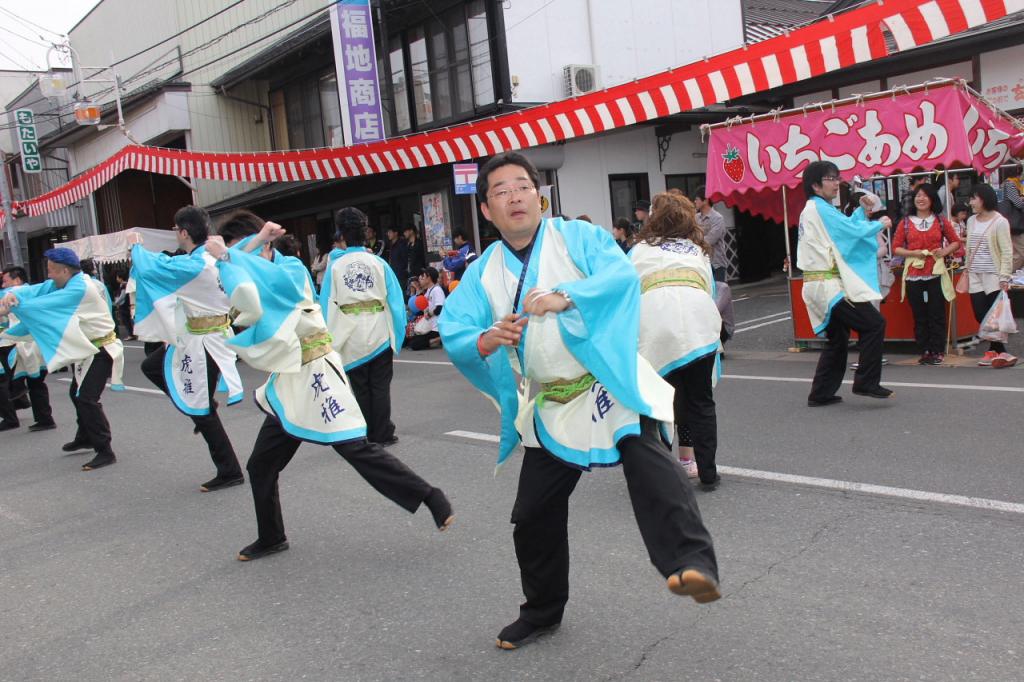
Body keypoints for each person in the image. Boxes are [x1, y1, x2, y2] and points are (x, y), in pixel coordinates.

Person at [439, 152, 720, 651]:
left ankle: (690, 564)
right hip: (552, 403)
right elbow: (457, 328)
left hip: (604, 380)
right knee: (532, 514)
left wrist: (565, 296)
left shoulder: (579, 238)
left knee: (647, 459)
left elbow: (619, 278)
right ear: (486, 210)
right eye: (500, 191)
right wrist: (485, 338)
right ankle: (542, 611)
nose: (514, 197)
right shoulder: (482, 273)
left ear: (538, 195)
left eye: (522, 186)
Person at [202, 218, 454, 561]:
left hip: (315, 372)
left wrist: (234, 256)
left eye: (241, 247)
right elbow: (239, 287)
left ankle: (429, 496)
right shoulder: (250, 269)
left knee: (355, 448)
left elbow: (272, 287)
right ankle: (272, 536)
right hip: (289, 382)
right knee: (261, 465)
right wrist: (238, 253)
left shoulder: (289, 268)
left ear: (263, 246)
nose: (234, 255)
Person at [131, 206, 246, 492]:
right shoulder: (208, 257)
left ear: (183, 232)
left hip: (206, 341)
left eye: (175, 229)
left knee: (202, 410)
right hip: (200, 336)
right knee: (152, 366)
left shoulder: (195, 265)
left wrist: (135, 247)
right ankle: (200, 407)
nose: (175, 234)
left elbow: (151, 267)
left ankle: (229, 469)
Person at [0, 248, 123, 471]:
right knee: (76, 394)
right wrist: (14, 296)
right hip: (88, 350)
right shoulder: (65, 282)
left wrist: (15, 305)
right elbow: (39, 290)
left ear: (65, 270)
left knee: (86, 398)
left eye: (51, 271)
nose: (48, 276)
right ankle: (85, 436)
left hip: (103, 349)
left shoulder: (79, 288)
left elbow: (44, 304)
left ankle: (105, 450)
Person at [631, 193, 723, 487]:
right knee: (701, 402)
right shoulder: (697, 251)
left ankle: (659, 474)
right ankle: (708, 472)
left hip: (655, 323)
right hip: (699, 322)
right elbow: (709, 289)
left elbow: (627, 293)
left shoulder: (639, 250)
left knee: (656, 400)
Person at [797, 161, 893, 406]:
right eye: (830, 178)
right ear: (816, 185)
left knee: (838, 339)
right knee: (874, 324)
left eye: (836, 177)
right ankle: (866, 382)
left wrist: (861, 213)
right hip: (828, 285)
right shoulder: (819, 208)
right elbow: (849, 232)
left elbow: (843, 229)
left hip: (821, 283)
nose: (836, 182)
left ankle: (820, 393)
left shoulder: (818, 208)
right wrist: (877, 224)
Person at [320, 207, 406, 446]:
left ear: (343, 236)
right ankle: (383, 432)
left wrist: (326, 338)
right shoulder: (378, 262)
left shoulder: (335, 267)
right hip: (379, 328)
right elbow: (395, 300)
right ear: (365, 234)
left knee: (359, 386)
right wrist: (397, 335)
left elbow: (326, 303)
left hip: (349, 331)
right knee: (380, 385)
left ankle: (366, 432)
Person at [892, 182, 961, 365]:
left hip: (935, 271)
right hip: (914, 272)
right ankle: (924, 349)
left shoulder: (940, 220)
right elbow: (896, 248)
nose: (920, 199)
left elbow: (955, 241)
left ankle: (937, 350)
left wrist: (944, 252)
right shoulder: (905, 223)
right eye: (917, 196)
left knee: (936, 312)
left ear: (932, 200)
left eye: (924, 196)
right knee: (919, 313)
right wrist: (912, 253)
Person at [964, 184, 1016, 368]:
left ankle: (995, 351)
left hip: (993, 274)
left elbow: (1007, 251)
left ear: (984, 199)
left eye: (973, 198)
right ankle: (1000, 351)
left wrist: (1004, 276)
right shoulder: (971, 221)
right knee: (980, 314)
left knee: (993, 315)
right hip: (975, 273)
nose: (970, 202)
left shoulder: (1000, 221)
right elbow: (969, 247)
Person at [0, 266, 56, 432]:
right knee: (36, 382)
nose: (3, 285)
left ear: (17, 280)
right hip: (37, 342)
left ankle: (11, 416)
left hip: (16, 343)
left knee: (3, 381)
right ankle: (44, 418)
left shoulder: (11, 293)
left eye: (5, 281)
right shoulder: (34, 291)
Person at [694, 187, 729, 282]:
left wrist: (695, 240)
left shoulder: (718, 218)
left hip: (716, 264)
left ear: (705, 200)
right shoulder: (695, 218)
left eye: (697, 199)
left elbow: (710, 240)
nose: (695, 201)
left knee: (719, 294)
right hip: (701, 263)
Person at [406, 267, 445, 350]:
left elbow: (440, 308)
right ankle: (434, 341)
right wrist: (416, 290)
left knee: (415, 344)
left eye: (423, 277)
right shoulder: (428, 291)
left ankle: (438, 339)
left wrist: (429, 314)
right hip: (428, 326)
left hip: (436, 328)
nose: (420, 279)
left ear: (429, 278)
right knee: (409, 341)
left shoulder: (437, 290)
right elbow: (420, 306)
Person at [998, 163, 1024, 271]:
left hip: (1014, 223)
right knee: (1020, 252)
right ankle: (1007, 273)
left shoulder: (1008, 184)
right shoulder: (1010, 184)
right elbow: (1018, 203)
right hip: (1015, 224)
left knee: (1016, 252)